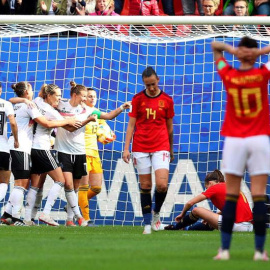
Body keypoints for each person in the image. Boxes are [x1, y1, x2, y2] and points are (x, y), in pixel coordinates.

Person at [211, 36, 270, 261]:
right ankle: (259, 251)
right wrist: (259, 52)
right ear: (254, 54)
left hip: (235, 140)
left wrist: (233, 51)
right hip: (259, 140)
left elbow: (215, 47)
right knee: (258, 196)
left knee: (232, 196)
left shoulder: (229, 74)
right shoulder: (262, 73)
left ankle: (224, 251)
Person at [0, 82, 81, 226]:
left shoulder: (22, 103)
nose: (33, 92)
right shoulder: (31, 106)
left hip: (19, 147)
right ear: (26, 92)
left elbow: (14, 99)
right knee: (23, 184)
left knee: (29, 185)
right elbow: (47, 123)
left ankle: (10, 215)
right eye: (30, 89)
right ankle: (22, 217)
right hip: (24, 146)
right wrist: (69, 119)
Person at [123, 66, 174, 234]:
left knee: (161, 185)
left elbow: (170, 128)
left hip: (161, 145)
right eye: (147, 85)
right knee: (145, 185)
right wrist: (126, 148)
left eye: (153, 84)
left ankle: (156, 214)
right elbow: (131, 125)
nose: (151, 88)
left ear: (158, 80)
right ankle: (146, 224)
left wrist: (171, 149)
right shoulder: (137, 99)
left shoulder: (167, 100)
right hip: (141, 146)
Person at [78, 87, 129, 226]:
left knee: (96, 188)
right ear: (83, 98)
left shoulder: (96, 113)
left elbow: (103, 130)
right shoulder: (79, 112)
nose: (92, 98)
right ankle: (86, 219)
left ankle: (75, 204)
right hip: (82, 153)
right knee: (83, 186)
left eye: (94, 96)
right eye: (89, 96)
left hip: (94, 153)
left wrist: (106, 137)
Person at [164, 170, 253, 232]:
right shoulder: (231, 186)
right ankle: (188, 229)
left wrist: (182, 214)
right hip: (249, 226)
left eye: (206, 187)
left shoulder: (215, 187)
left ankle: (176, 227)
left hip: (237, 225)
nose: (206, 189)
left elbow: (190, 203)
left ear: (210, 183)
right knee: (209, 221)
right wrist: (212, 217)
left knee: (197, 210)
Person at [0, 82, 19, 215]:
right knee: (4, 182)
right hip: (2, 147)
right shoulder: (6, 104)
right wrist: (16, 139)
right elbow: (12, 122)